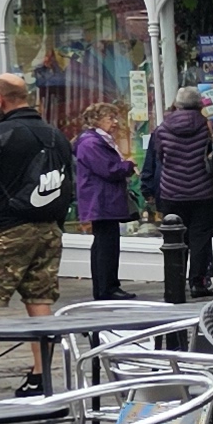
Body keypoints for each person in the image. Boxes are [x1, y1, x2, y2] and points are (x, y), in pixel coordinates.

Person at [0, 75, 71, 374]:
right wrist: (56, 224)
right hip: (48, 229)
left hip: (5, 230)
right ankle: (41, 376)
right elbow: (68, 184)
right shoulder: (55, 135)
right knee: (39, 301)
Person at [145, 91, 213, 304]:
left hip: (172, 193)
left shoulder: (162, 129)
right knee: (200, 238)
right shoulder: (211, 126)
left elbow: (160, 157)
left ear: (176, 105)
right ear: (200, 106)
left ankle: (175, 283)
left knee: (176, 239)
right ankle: (198, 282)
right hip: (207, 192)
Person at [72, 105, 135, 302]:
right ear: (96, 120)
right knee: (106, 244)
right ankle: (107, 288)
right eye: (110, 118)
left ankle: (105, 287)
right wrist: (128, 165)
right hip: (101, 198)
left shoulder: (93, 141)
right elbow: (109, 170)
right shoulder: (91, 143)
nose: (115, 122)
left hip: (102, 198)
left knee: (104, 243)